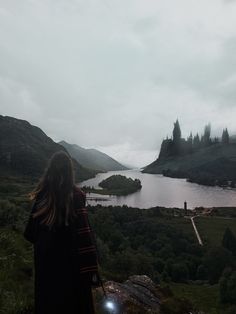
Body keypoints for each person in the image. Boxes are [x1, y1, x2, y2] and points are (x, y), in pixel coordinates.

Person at [24, 151, 100, 314]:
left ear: (50, 170)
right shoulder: (77, 196)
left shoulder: (42, 195)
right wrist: (93, 271)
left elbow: (29, 234)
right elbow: (85, 236)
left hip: (46, 271)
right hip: (71, 272)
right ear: (70, 172)